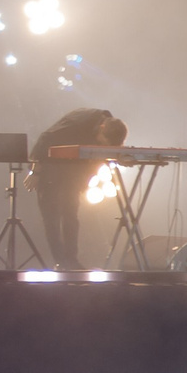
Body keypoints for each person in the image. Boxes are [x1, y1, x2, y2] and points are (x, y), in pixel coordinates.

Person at [30, 107, 127, 269]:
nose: (101, 144)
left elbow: (104, 150)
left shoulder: (110, 126)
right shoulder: (78, 123)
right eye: (101, 141)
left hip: (72, 171)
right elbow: (45, 139)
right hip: (50, 168)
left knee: (71, 216)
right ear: (102, 128)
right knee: (51, 218)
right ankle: (60, 262)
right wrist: (35, 171)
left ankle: (72, 261)